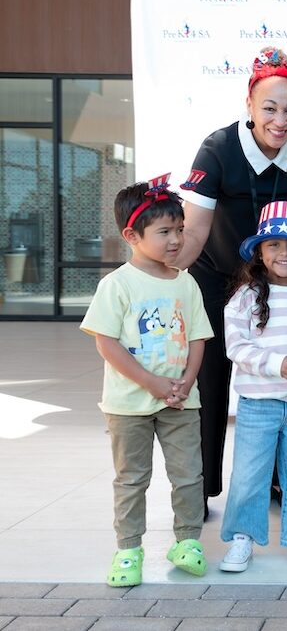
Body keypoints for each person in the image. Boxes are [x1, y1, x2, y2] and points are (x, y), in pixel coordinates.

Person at [176, 47, 287, 511]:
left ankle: (280, 479)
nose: (281, 120)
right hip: (216, 277)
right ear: (250, 106)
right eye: (270, 108)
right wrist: (163, 281)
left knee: (285, 376)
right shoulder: (218, 149)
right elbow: (194, 230)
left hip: (277, 282)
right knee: (210, 381)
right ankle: (199, 488)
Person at [81, 178, 214, 587]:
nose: (176, 240)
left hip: (181, 401)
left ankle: (188, 541)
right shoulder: (117, 284)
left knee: (189, 475)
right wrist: (152, 382)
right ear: (132, 236)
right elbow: (107, 343)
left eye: (180, 230)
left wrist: (185, 382)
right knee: (132, 478)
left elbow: (197, 337)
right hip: (128, 405)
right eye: (164, 232)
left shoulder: (185, 282)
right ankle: (128, 549)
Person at [219, 201, 287, 573]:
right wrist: (275, 364)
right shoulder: (246, 297)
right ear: (260, 252)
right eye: (274, 245)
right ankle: (242, 538)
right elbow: (236, 347)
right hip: (258, 403)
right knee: (249, 474)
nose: (285, 252)